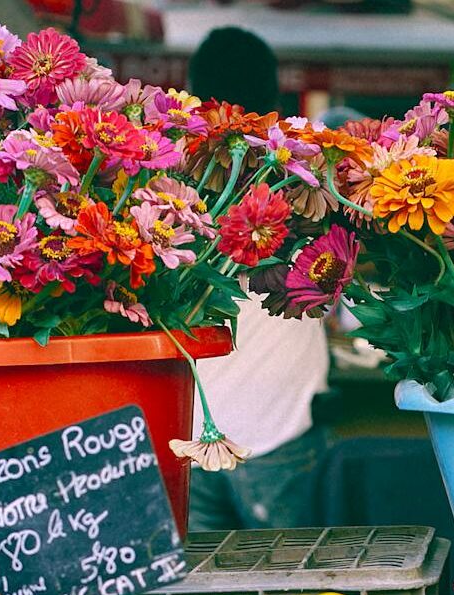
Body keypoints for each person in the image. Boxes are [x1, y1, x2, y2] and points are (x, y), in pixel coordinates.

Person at [184, 27, 331, 532]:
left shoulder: (164, 180)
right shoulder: (304, 173)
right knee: (293, 588)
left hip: (190, 424)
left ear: (193, 88)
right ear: (273, 94)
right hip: (277, 423)